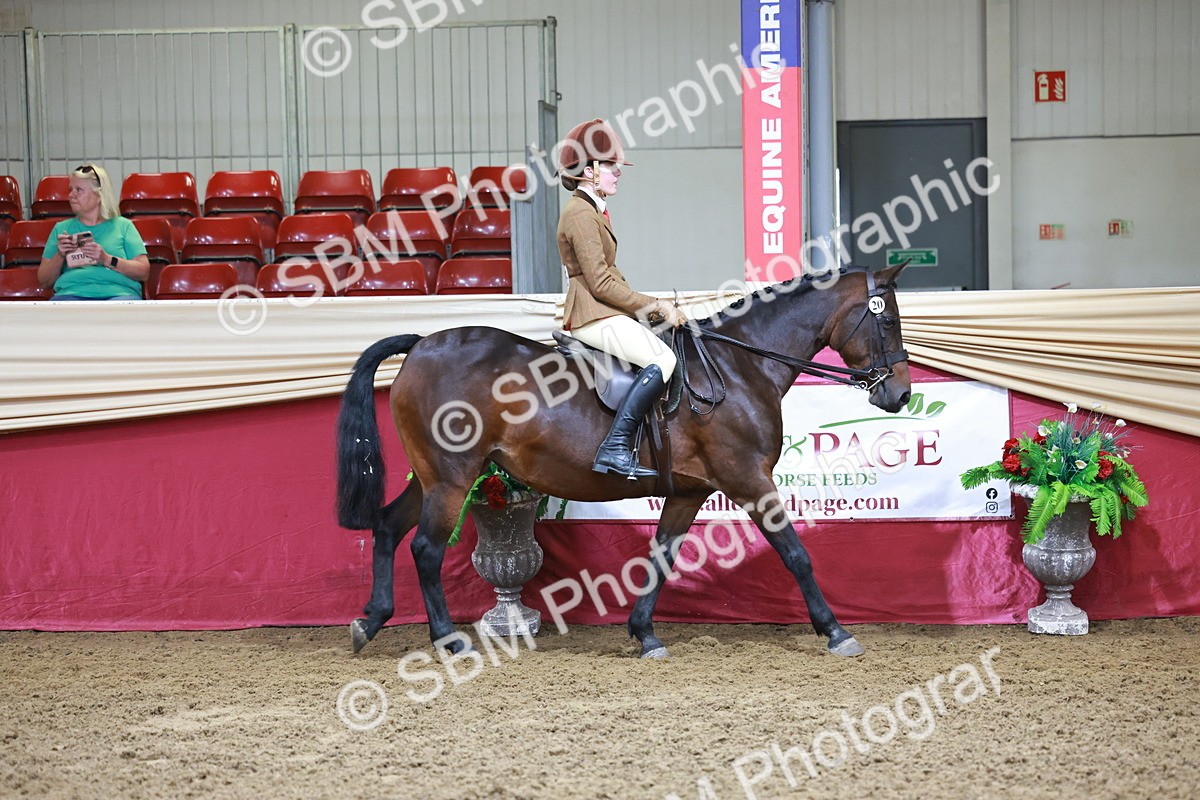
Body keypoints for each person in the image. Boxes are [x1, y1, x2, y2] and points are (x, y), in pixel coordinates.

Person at [557, 118, 687, 480]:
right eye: (610, 167)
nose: (617, 173)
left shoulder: (592, 210)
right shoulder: (581, 214)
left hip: (603, 310)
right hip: (592, 312)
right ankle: (615, 447)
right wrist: (655, 305)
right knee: (662, 359)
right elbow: (599, 282)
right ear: (588, 171)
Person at [37, 164, 149, 300]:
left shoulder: (124, 226)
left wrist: (106, 259)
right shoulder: (61, 229)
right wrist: (60, 255)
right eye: (71, 189)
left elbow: (143, 271)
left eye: (79, 190)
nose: (71, 195)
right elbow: (44, 281)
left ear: (99, 195)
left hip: (119, 294)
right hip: (71, 294)